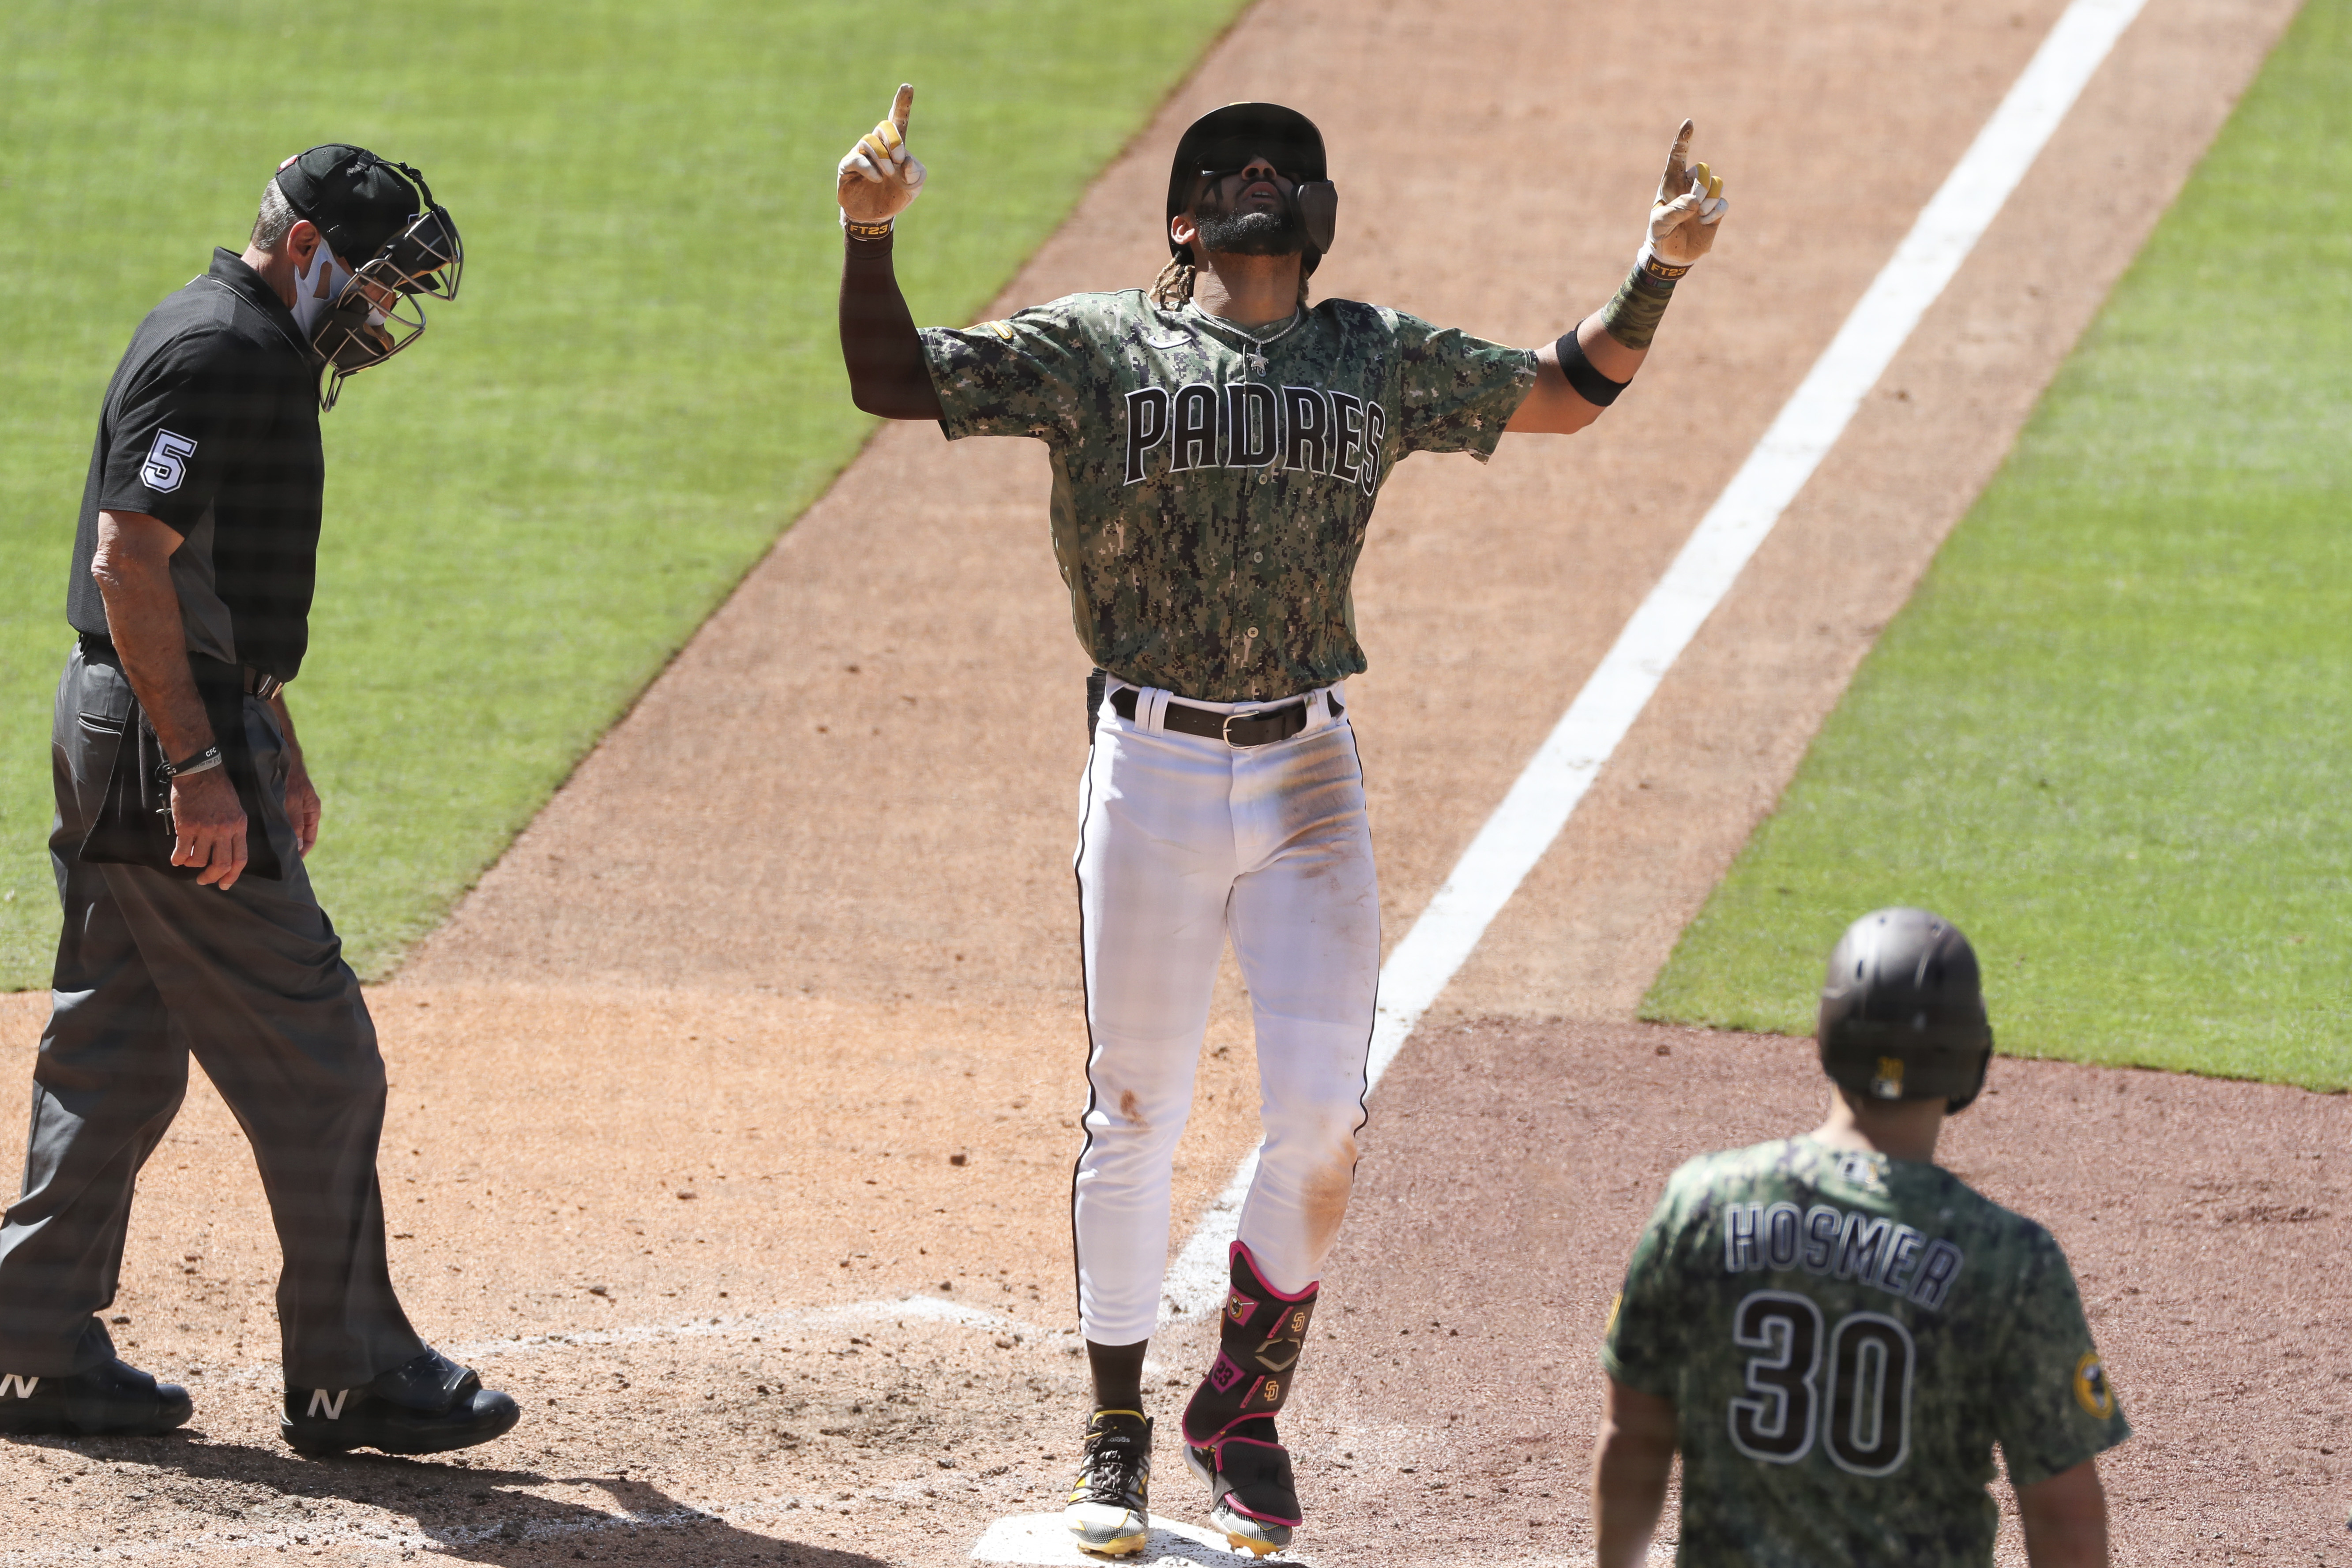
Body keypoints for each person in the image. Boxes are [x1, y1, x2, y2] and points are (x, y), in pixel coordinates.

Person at [834, 86, 1727, 1556]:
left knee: (1322, 1117)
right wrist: (869, 239)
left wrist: (1664, 267)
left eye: (1286, 166)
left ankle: (1237, 1411)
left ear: (1315, 218)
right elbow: (893, 380)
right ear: (1185, 221)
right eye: (1225, 168)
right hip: (1154, 767)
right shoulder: (1098, 347)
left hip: (1312, 772)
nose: (1259, 176)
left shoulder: (1373, 355)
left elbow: (1568, 389)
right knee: (1137, 1106)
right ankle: (1115, 1431)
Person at [0, 145, 518, 1457]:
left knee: (115, 1042)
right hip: (153, 735)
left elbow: (199, 568)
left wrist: (268, 722)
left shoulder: (241, 345)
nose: (384, 316)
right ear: (307, 252)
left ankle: (27, 1341)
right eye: (379, 283)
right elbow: (130, 561)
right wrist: (198, 763)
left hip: (147, 712)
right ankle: (353, 1372)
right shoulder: (219, 352)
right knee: (322, 1060)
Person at [1593, 908, 2130, 1567]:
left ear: (1825, 1037)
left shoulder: (1701, 1203)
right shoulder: (2008, 1258)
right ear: (1972, 1059)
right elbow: (2063, 1513)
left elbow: (1634, 1434)